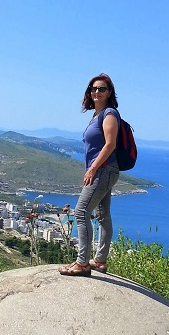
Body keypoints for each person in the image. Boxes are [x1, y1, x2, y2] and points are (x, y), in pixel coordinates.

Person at [59, 73, 120, 276]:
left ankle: (83, 263)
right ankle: (100, 260)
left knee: (81, 212)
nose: (96, 92)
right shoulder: (97, 115)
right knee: (102, 215)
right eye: (93, 89)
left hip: (103, 170)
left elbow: (110, 144)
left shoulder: (109, 114)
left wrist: (93, 168)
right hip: (105, 170)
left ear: (109, 93)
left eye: (102, 89)